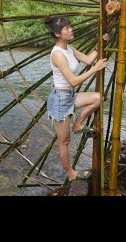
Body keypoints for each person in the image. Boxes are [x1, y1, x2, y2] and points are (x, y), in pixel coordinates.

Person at [44, 15, 109, 181]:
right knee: (64, 142)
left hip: (69, 96)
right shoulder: (57, 54)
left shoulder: (69, 48)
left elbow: (88, 59)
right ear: (58, 34)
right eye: (66, 28)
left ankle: (78, 124)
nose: (71, 29)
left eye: (70, 27)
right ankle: (70, 173)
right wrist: (95, 69)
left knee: (98, 98)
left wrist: (100, 43)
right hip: (59, 100)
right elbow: (72, 81)